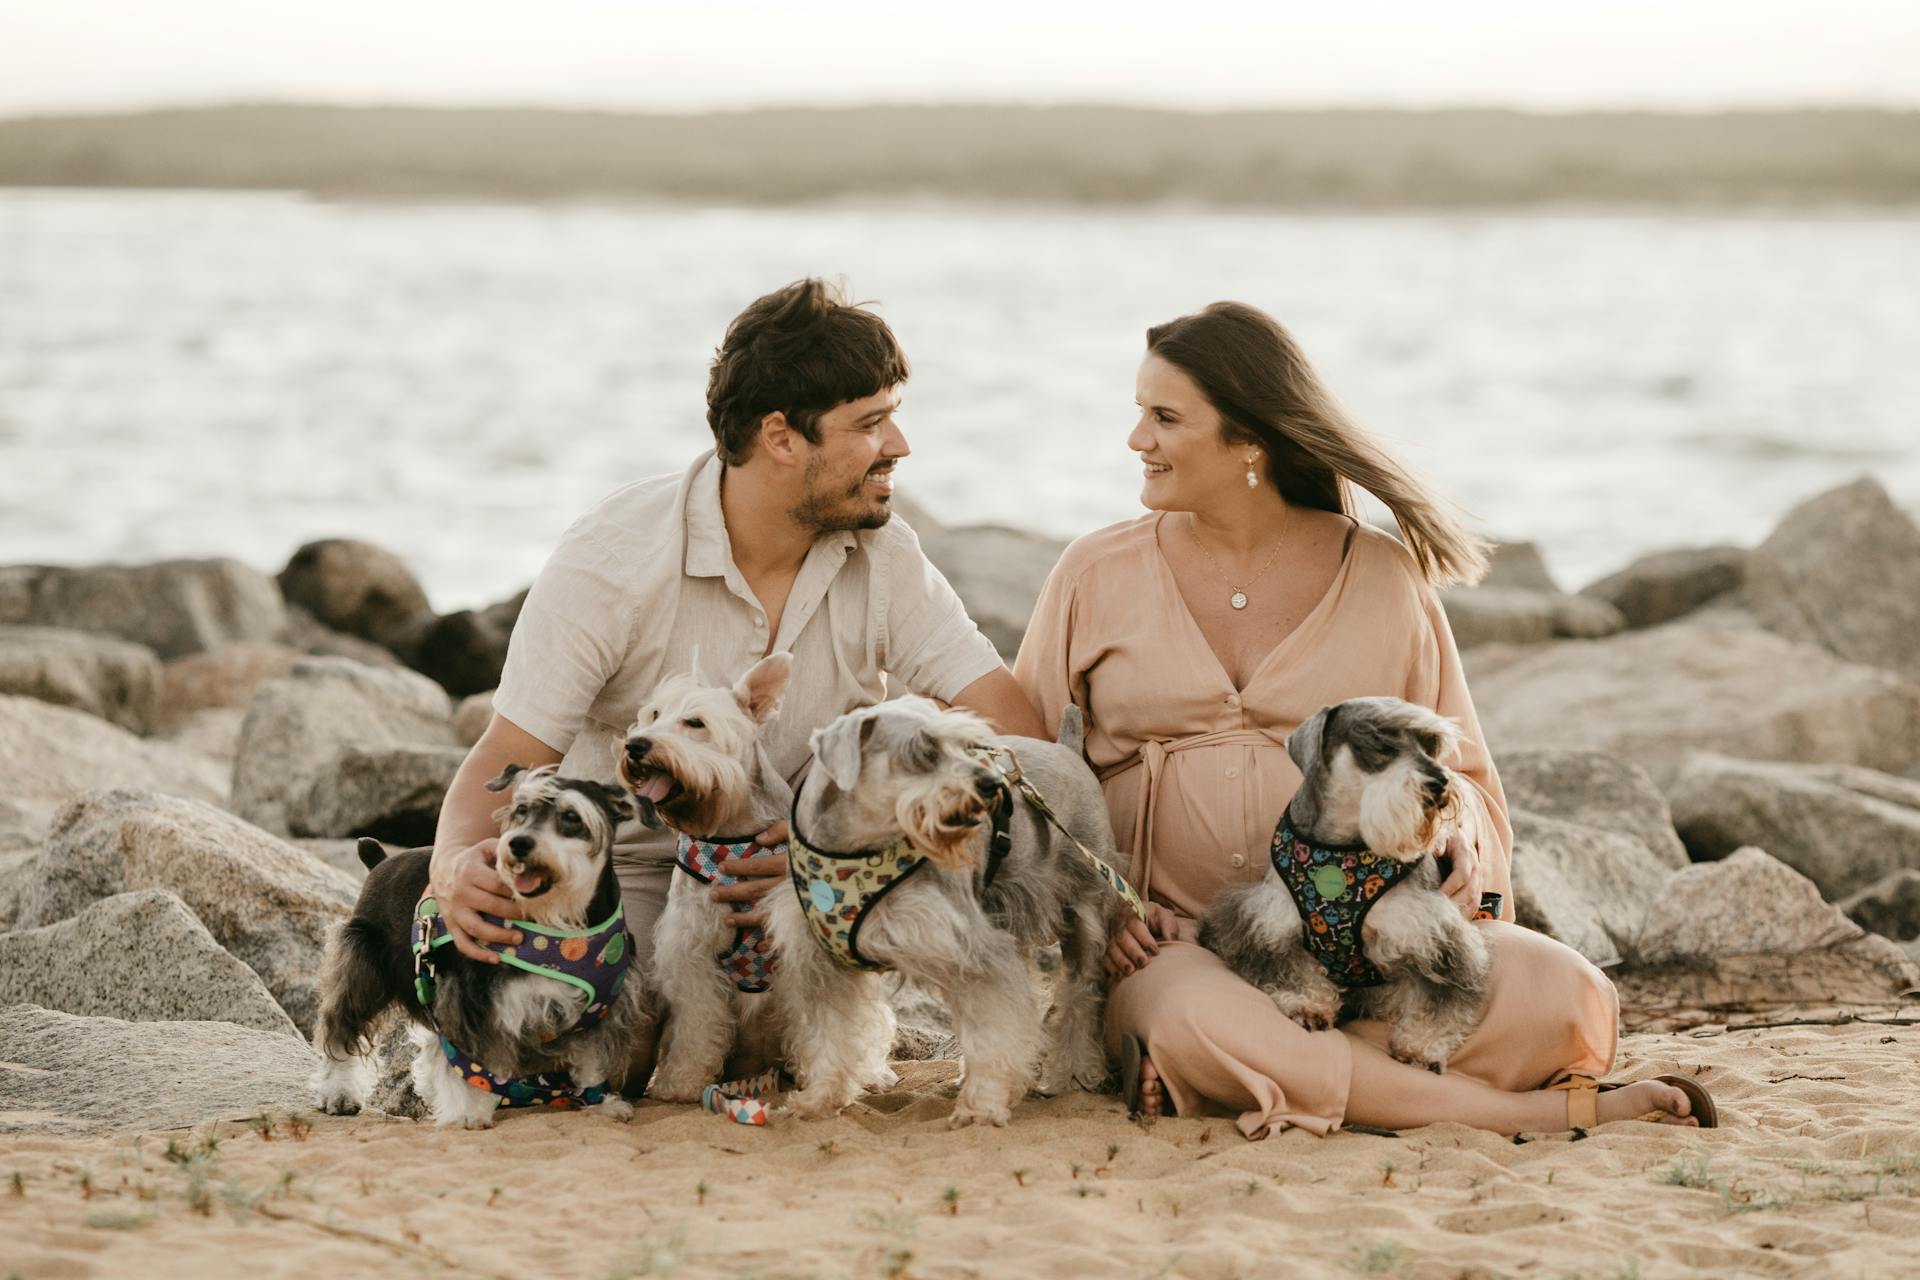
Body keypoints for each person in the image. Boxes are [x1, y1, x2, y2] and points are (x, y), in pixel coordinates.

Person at [1013, 301, 1702, 1137]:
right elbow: (1025, 769)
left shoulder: (1382, 575)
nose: (1137, 441)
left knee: (1568, 991)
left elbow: (1470, 776)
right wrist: (1110, 900)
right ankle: (1513, 1111)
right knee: (1196, 1015)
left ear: (1250, 442)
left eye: (1164, 418)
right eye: (1140, 415)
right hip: (1180, 947)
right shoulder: (1093, 571)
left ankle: (1250, 1073)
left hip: (1379, 947)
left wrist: (1456, 844)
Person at [427, 278, 1044, 1088]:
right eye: (870, 423)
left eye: (892, 416)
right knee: (623, 1048)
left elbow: (1016, 732)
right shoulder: (613, 556)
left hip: (825, 872)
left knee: (783, 1052)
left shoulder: (887, 561)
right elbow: (506, 754)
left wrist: (849, 842)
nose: (898, 445)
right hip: (632, 872)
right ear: (781, 437)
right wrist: (450, 868)